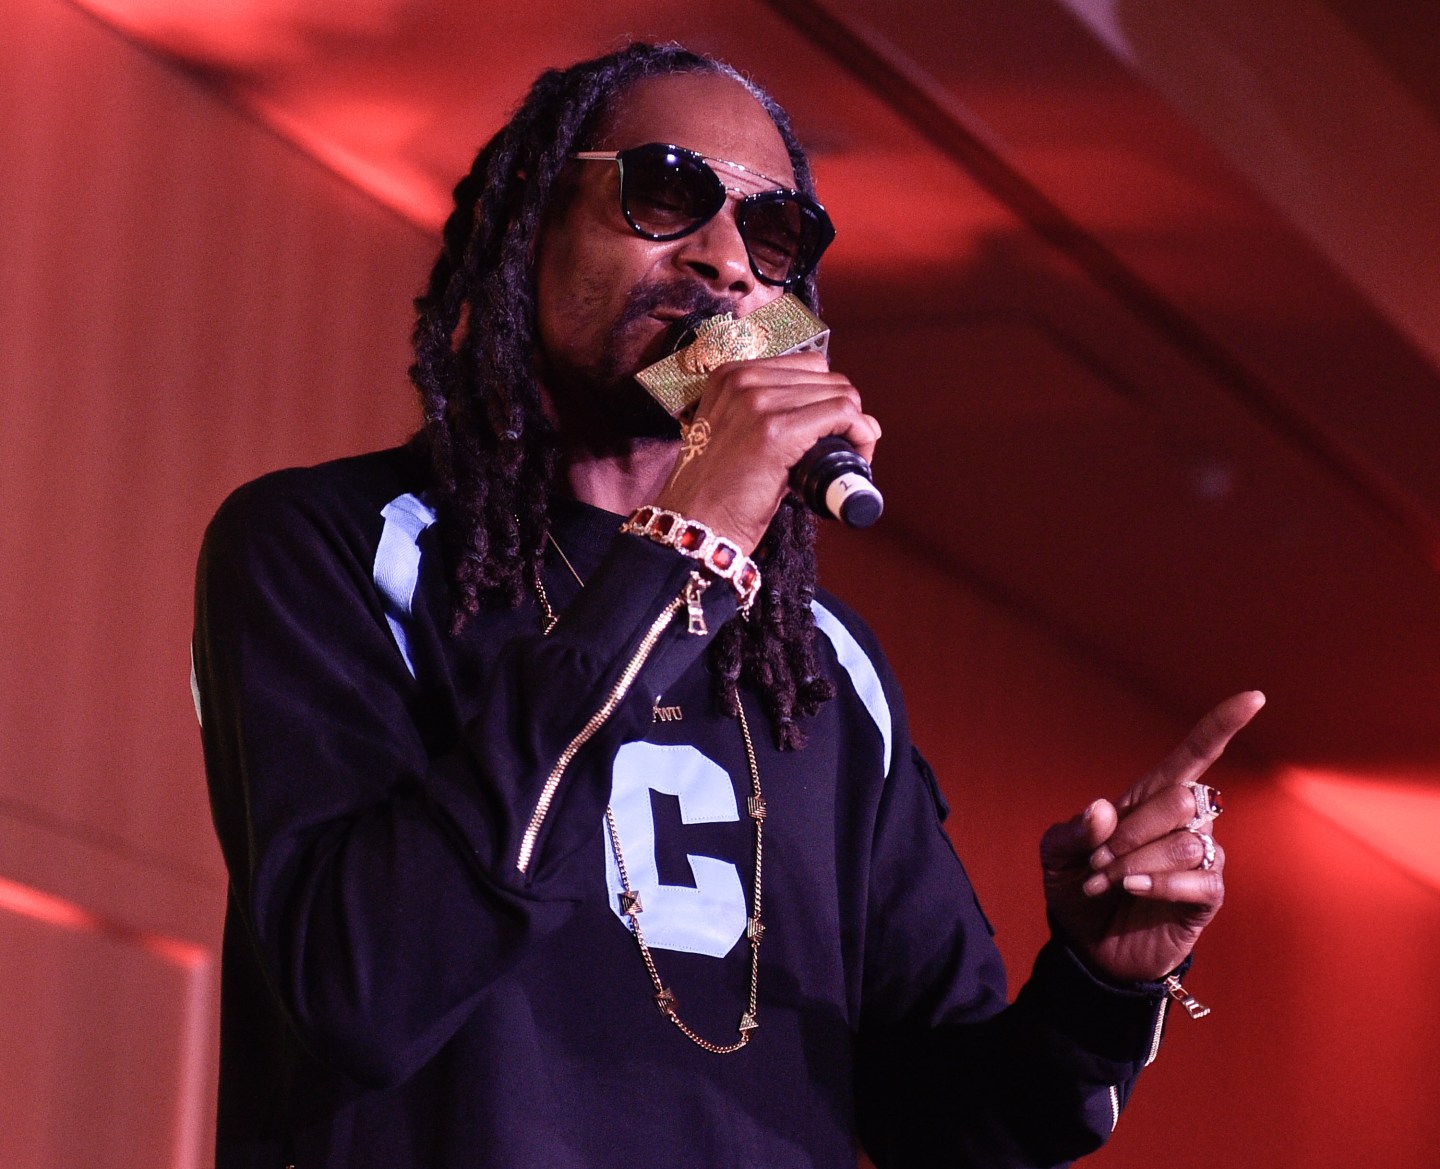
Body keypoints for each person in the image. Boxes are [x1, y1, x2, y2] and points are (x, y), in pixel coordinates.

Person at [192, 41, 1262, 1169]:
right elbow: (361, 987)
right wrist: (685, 548)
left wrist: (1100, 985)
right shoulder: (332, 545)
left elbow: (953, 1128)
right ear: (531, 225)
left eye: (775, 233)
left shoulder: (822, 663)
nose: (727, 263)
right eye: (664, 194)